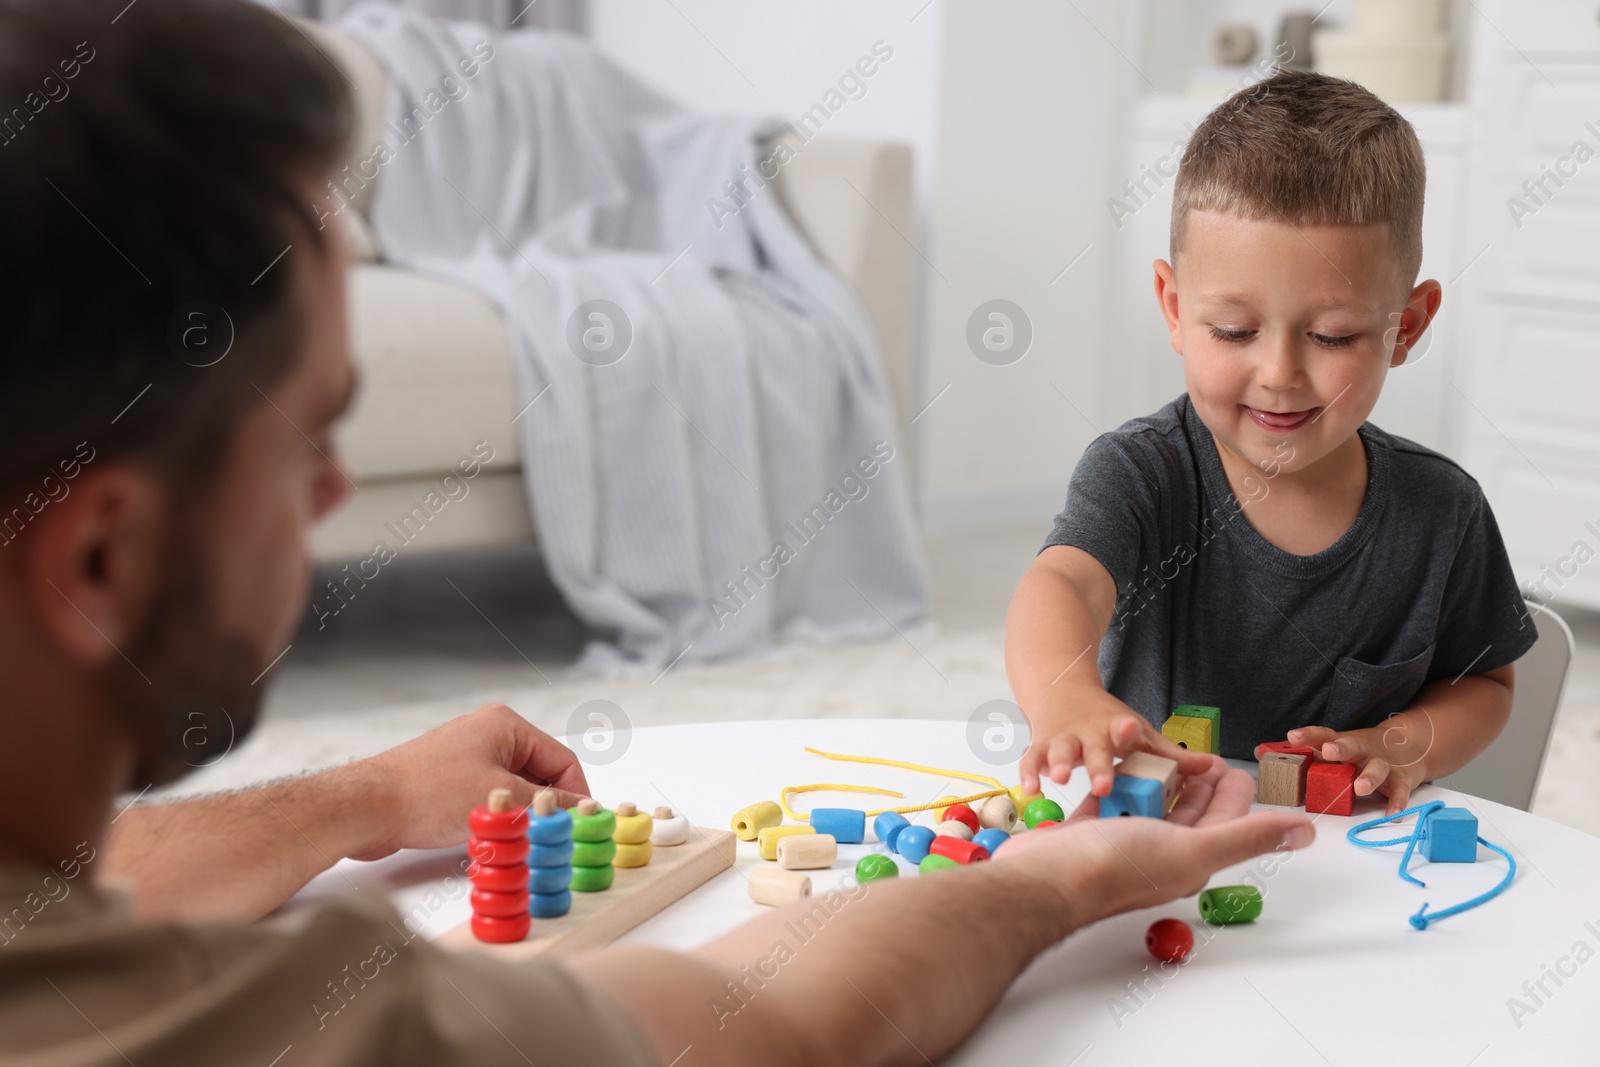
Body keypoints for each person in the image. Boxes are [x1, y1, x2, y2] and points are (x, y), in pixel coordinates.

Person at [0, 2, 1313, 1064]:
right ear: (103, 560)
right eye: (305, 447)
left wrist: (369, 794)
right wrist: (1057, 880)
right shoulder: (299, 1027)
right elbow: (772, 1018)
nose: (335, 494)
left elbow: (69, 877)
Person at [1007, 69, 1537, 816]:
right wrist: (1065, 697)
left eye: (1332, 335)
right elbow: (1062, 583)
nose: (1281, 374)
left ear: (1406, 328)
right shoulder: (1141, 473)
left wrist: (1399, 743)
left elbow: (1485, 683)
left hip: (1351, 868)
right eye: (1233, 331)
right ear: (1174, 308)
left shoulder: (1442, 510)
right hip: (1158, 851)